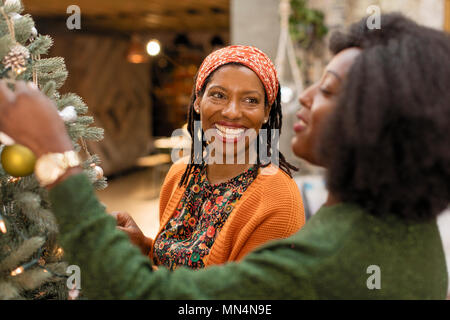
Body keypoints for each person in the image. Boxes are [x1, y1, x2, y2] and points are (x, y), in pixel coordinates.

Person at [0, 13, 448, 299]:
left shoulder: (321, 248)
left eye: (327, 88)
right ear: (196, 102)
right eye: (217, 95)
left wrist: (55, 153)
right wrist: (149, 249)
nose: (306, 96)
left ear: (374, 120)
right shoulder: (398, 217)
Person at [115, 45, 304, 270]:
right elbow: (171, 267)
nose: (232, 112)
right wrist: (144, 248)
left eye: (250, 100)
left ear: (266, 112)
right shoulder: (181, 174)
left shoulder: (279, 200)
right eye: (218, 95)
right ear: (197, 101)